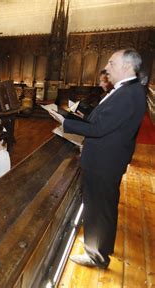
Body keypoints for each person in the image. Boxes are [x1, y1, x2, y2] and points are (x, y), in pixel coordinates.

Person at [49, 48, 146, 268]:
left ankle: (96, 255)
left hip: (104, 162)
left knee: (99, 208)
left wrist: (63, 121)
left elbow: (99, 127)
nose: (106, 67)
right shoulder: (125, 90)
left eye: (111, 63)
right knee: (102, 207)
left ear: (127, 66)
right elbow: (102, 118)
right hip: (106, 160)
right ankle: (100, 249)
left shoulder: (129, 93)